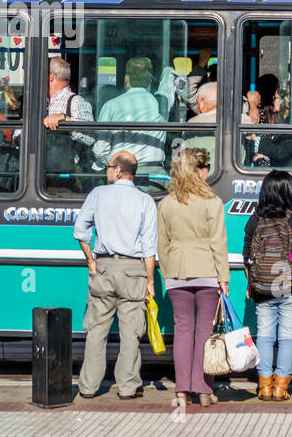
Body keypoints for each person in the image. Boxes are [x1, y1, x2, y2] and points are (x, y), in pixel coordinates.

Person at [74, 151, 157, 400]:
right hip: (134, 271)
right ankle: (129, 387)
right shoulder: (146, 201)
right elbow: (149, 247)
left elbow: (80, 230)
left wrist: (90, 260)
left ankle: (88, 387)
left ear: (118, 170)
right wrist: (150, 281)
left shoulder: (98, 194)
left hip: (104, 267)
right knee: (131, 332)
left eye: (108, 167)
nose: (106, 170)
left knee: (96, 329)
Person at [156, 147, 228, 411]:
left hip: (176, 272)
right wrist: (224, 278)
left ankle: (182, 390)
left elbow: (162, 245)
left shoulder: (166, 203)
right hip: (207, 271)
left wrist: (167, 272)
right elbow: (218, 242)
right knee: (204, 333)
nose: (208, 171)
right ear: (198, 171)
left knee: (183, 332)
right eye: (205, 167)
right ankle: (204, 389)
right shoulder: (213, 202)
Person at [243, 169, 292, 402]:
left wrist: (251, 283)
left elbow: (247, 255)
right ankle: (281, 388)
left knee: (265, 336)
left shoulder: (256, 219)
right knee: (288, 337)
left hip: (262, 287)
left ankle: (264, 386)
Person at [92, 57, 166, 176]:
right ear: (149, 81)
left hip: (122, 172)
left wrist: (112, 165)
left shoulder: (111, 105)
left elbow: (101, 149)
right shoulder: (161, 104)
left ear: (127, 78)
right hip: (155, 172)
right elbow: (169, 79)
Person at [43, 56, 95, 186]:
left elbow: (90, 138)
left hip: (64, 179)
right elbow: (17, 135)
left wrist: (66, 121)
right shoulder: (39, 101)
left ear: (50, 77)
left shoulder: (76, 102)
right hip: (37, 174)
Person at [250, 74, 292, 167]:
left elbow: (281, 150)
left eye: (276, 97)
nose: (273, 100)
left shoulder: (290, 121)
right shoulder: (267, 115)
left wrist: (256, 140)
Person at [180, 81, 217, 163]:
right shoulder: (242, 118)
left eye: (197, 103)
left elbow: (186, 158)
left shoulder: (193, 123)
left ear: (202, 102)